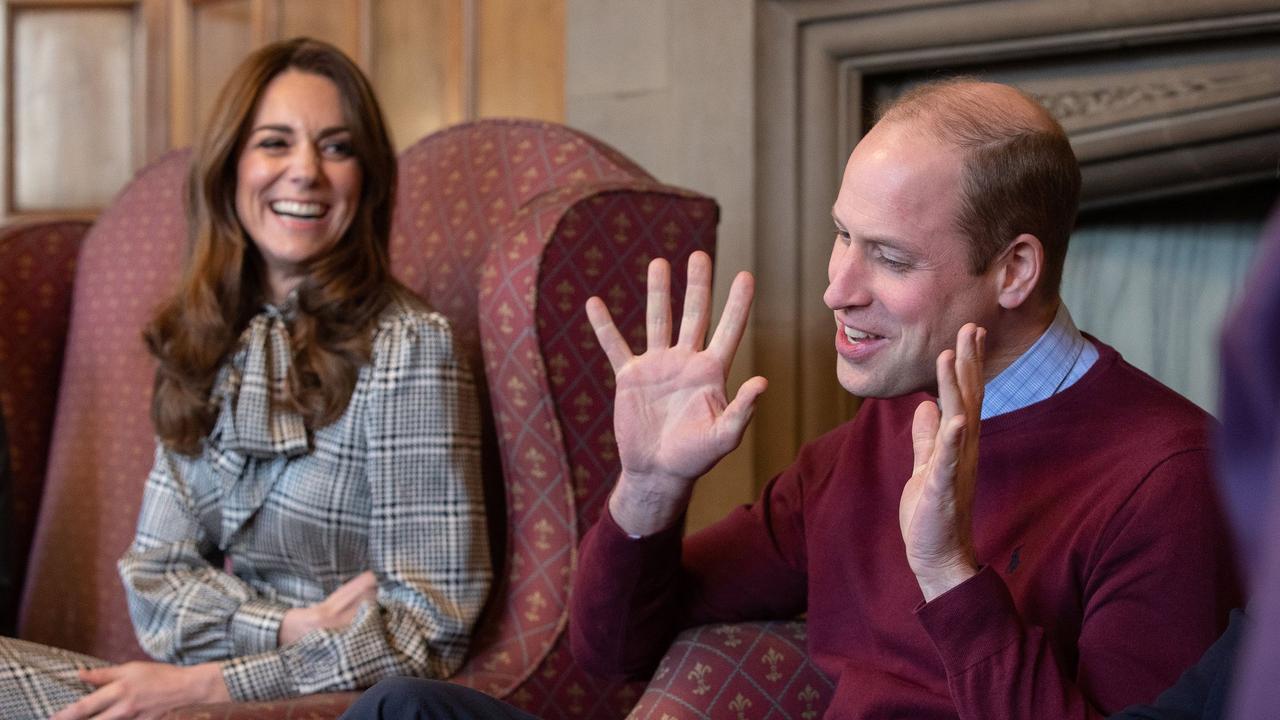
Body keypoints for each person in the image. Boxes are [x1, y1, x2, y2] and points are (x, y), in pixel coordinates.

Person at [339, 79, 1241, 719]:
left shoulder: (1170, 477)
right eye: (842, 236)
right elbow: (611, 655)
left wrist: (950, 575)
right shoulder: (872, 438)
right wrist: (647, 489)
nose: (835, 288)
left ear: (1013, 270)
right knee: (403, 710)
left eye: (887, 257)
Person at [0, 37, 490, 719]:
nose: (306, 171)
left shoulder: (409, 349)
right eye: (275, 143)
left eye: (337, 147)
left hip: (291, 707)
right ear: (231, 169)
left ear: (367, 181)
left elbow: (425, 632)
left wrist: (210, 683)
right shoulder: (208, 338)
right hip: (196, 693)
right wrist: (285, 627)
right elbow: (155, 582)